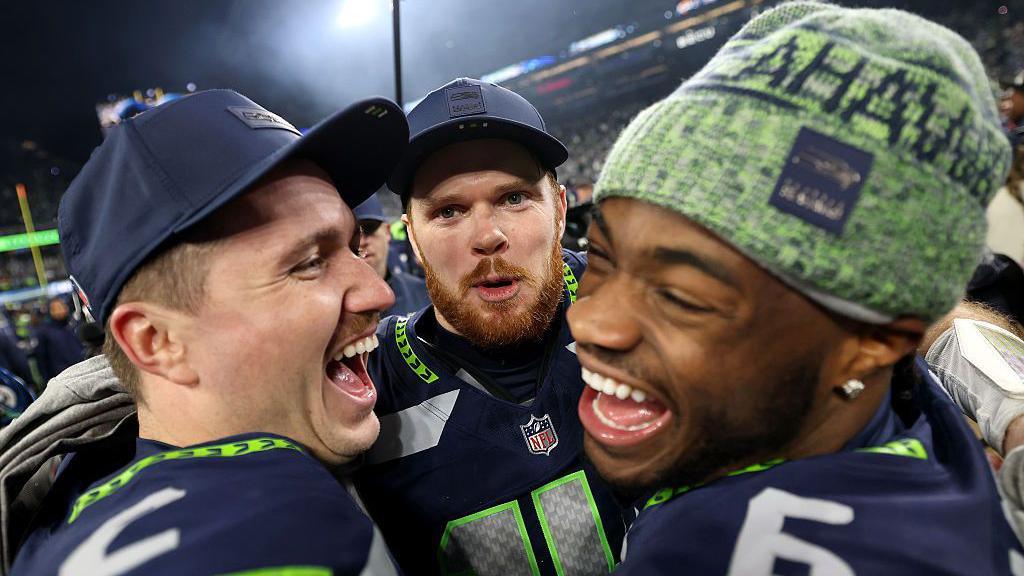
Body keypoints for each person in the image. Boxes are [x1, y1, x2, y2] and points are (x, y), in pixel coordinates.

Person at [567, 2, 1023, 573]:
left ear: (872, 341)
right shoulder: (881, 394)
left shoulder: (703, 551)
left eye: (681, 295)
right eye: (602, 259)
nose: (588, 321)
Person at [3, 89, 407, 575]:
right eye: (308, 263)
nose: (379, 293)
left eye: (353, 246)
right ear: (158, 341)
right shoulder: (216, 539)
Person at [352, 78, 625, 576]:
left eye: (515, 198)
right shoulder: (367, 379)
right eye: (449, 210)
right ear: (410, 237)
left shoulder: (635, 296)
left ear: (560, 210)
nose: (488, 236)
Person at [353, 194, 430, 316]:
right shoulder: (333, 306)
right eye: (353, 235)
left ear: (387, 232)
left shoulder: (424, 293)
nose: (361, 242)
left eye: (369, 229)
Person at [32, 297, 84, 383]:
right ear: (50, 311)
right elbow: (41, 358)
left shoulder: (74, 325)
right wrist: (47, 380)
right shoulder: (43, 332)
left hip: (82, 371)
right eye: (56, 308)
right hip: (63, 377)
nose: (61, 310)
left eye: (62, 307)